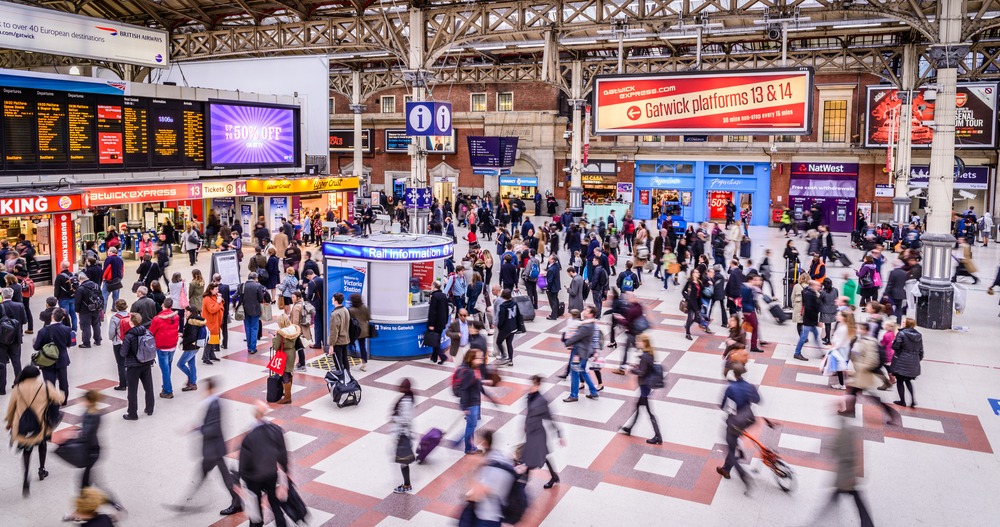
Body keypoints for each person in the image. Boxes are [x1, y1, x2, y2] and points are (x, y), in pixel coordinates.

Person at [5, 365, 64, 496]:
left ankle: (26, 475)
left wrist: (9, 422)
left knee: (27, 451)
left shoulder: (18, 388)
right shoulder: (45, 386)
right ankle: (42, 469)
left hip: (23, 427)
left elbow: (11, 408)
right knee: (42, 445)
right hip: (40, 425)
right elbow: (60, 398)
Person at [236, 401, 291, 527]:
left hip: (253, 477)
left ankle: (257, 524)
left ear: (255, 415)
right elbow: (282, 453)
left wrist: (241, 479)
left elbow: (244, 460)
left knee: (255, 510)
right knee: (275, 503)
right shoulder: (275, 430)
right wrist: (285, 472)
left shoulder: (249, 436)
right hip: (271, 473)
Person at [840, 321, 899, 424]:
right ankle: (850, 411)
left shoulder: (870, 342)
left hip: (865, 374)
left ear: (867, 331)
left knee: (870, 396)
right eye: (858, 328)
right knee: (853, 392)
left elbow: (872, 361)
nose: (859, 330)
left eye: (862, 329)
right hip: (860, 373)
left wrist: (860, 368)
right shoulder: (859, 340)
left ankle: (891, 413)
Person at [716, 362, 760, 493]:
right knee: (734, 439)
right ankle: (726, 469)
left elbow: (723, 405)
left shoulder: (730, 388)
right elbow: (757, 400)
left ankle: (744, 476)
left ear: (733, 374)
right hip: (748, 418)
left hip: (736, 421)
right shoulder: (750, 386)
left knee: (730, 447)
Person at [620, 333, 662, 444]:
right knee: (638, 408)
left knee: (649, 412)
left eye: (638, 341)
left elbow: (642, 372)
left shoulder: (644, 356)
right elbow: (646, 368)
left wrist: (632, 370)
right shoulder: (649, 354)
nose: (637, 343)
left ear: (643, 343)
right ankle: (629, 428)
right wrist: (637, 366)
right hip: (646, 386)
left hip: (644, 387)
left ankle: (658, 436)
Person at [524, 374, 564, 489]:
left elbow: (550, 418)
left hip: (538, 433)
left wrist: (559, 434)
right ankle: (554, 477)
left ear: (538, 385)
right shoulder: (529, 396)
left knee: (531, 457)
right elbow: (529, 413)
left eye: (533, 384)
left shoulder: (542, 401)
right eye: (530, 384)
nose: (530, 386)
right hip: (531, 431)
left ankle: (522, 484)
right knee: (542, 455)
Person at [454, 348, 496, 455]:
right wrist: (464, 407)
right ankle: (465, 445)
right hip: (471, 404)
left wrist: (490, 397)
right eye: (479, 357)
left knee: (472, 425)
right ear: (472, 359)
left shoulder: (475, 369)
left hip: (475, 402)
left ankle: (468, 445)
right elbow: (464, 389)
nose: (481, 359)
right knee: (471, 425)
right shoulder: (469, 372)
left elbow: (477, 385)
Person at [120, 313, 155, 420]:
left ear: (131, 322)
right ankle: (149, 408)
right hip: (146, 363)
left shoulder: (129, 336)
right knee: (148, 387)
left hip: (133, 365)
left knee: (132, 391)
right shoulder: (147, 332)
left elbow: (123, 353)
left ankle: (132, 413)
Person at [563, 305, 599, 402]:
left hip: (579, 352)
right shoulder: (589, 323)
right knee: (583, 371)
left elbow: (577, 336)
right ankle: (594, 392)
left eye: (586, 311)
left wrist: (567, 342)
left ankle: (574, 395)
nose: (584, 311)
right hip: (584, 351)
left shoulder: (587, 326)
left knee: (574, 373)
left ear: (591, 314)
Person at [149, 297, 180, 399]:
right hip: (172, 345)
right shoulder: (176, 317)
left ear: (163, 305)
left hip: (162, 346)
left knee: (165, 370)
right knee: (168, 366)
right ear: (171, 306)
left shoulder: (157, 319)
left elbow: (151, 332)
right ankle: (165, 385)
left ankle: (168, 391)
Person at [0, 287, 28, 393]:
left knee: (2, 363)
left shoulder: (1, 307)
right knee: (16, 362)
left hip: (2, 339)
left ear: (3, 295)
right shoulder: (20, 306)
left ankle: (2, 387)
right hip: (16, 338)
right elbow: (24, 320)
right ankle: (19, 383)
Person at [891, 318, 923, 407]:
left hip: (902, 360)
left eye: (904, 322)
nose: (902, 323)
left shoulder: (901, 333)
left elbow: (896, 346)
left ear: (906, 324)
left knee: (900, 380)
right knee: (908, 381)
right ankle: (913, 400)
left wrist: (894, 343)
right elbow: (921, 350)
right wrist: (917, 359)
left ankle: (902, 401)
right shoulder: (919, 335)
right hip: (914, 360)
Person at [391, 378, 416, 494]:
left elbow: (405, 419)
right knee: (403, 462)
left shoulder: (405, 401)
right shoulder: (408, 398)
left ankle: (406, 485)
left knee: (403, 462)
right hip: (405, 434)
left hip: (403, 435)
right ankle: (406, 484)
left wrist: (394, 418)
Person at [273, 315, 301, 405]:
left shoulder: (281, 333)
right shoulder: (293, 329)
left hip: (285, 355)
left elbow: (275, 346)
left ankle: (287, 397)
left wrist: (274, 338)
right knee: (289, 372)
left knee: (285, 374)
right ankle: (287, 393)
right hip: (292, 352)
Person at [792, 280, 822, 361]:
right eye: (818, 285)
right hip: (809, 320)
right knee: (803, 336)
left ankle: (820, 352)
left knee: (815, 335)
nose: (819, 287)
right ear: (812, 286)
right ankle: (797, 353)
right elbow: (810, 308)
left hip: (810, 320)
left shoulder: (807, 292)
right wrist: (815, 321)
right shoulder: (810, 294)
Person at [74, 273, 103, 349]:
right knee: (96, 324)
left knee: (86, 326)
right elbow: (101, 297)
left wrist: (77, 310)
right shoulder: (96, 285)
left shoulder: (80, 289)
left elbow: (77, 302)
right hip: (96, 308)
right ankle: (98, 340)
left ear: (80, 279)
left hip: (85, 310)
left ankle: (86, 343)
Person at [239, 273, 266, 354]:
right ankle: (252, 348)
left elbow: (239, 297)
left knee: (247, 328)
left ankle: (249, 346)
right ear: (255, 278)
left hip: (245, 309)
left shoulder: (242, 286)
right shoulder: (257, 286)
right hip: (255, 310)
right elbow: (261, 299)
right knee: (254, 328)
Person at [682, 269, 713, 340]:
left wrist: (710, 282)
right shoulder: (690, 282)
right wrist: (687, 298)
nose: (698, 273)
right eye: (696, 272)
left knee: (697, 318)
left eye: (698, 272)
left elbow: (702, 290)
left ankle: (687, 325)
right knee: (690, 317)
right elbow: (683, 291)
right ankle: (687, 333)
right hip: (691, 303)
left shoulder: (699, 282)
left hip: (698, 302)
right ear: (692, 274)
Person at [179, 306, 204, 392]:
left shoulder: (191, 322)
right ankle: (192, 382)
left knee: (180, 364)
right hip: (195, 346)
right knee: (191, 364)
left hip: (190, 347)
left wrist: (184, 341)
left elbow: (192, 337)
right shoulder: (197, 320)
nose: (185, 313)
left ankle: (192, 380)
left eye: (186, 311)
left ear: (191, 312)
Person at [495, 289, 522, 367]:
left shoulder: (503, 306)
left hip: (505, 328)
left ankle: (504, 357)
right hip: (513, 327)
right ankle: (510, 360)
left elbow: (501, 319)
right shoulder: (514, 303)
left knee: (498, 342)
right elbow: (518, 315)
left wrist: (499, 326)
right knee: (509, 343)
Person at [107, 300, 130, 391]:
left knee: (121, 363)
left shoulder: (114, 318)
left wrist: (112, 339)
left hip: (119, 342)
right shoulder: (131, 315)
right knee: (128, 362)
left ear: (116, 307)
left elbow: (111, 333)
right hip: (130, 342)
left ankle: (123, 384)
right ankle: (129, 380)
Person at [201, 283, 224, 364]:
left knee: (214, 339)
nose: (217, 290)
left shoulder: (215, 297)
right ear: (211, 290)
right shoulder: (207, 299)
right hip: (210, 322)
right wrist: (218, 302)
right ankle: (205, 357)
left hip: (216, 321)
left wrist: (220, 299)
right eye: (216, 289)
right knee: (209, 340)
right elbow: (212, 310)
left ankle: (211, 355)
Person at [327, 292, 350, 370]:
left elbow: (334, 331)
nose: (332, 300)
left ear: (336, 301)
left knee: (338, 362)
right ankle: (347, 377)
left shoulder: (335, 314)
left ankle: (341, 378)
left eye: (333, 299)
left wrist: (331, 345)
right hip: (345, 339)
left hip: (338, 342)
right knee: (345, 360)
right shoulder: (345, 310)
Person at [54, 261, 78, 331]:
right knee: (73, 315)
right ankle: (74, 330)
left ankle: (65, 330)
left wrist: (56, 297)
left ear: (62, 267)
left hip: (63, 298)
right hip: (72, 297)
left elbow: (57, 288)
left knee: (64, 315)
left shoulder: (59, 277)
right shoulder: (72, 275)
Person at [544, 253, 562, 320]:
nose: (549, 258)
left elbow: (550, 280)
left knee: (553, 301)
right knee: (556, 300)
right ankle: (556, 313)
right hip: (556, 286)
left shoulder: (551, 269)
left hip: (552, 287)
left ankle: (553, 315)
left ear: (552, 260)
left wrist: (548, 288)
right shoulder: (556, 266)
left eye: (550, 258)